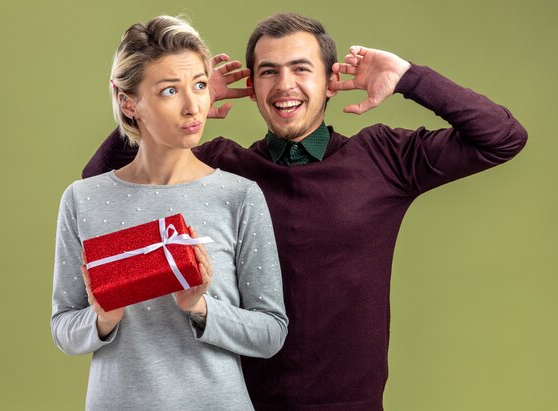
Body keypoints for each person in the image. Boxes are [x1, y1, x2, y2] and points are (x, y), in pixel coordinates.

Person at [82, 12, 527, 411]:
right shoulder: (219, 168)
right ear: (253, 89)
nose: (284, 85)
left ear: (329, 81)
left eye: (301, 68)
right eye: (268, 72)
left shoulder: (384, 158)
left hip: (351, 402)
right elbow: (98, 189)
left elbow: (502, 137)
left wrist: (407, 77)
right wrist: (185, 103)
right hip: (233, 397)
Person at [51, 15, 287, 410]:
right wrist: (103, 319)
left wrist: (200, 307)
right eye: (168, 91)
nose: (193, 106)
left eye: (199, 85)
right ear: (128, 101)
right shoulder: (82, 199)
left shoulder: (239, 196)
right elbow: (62, 328)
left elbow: (270, 331)